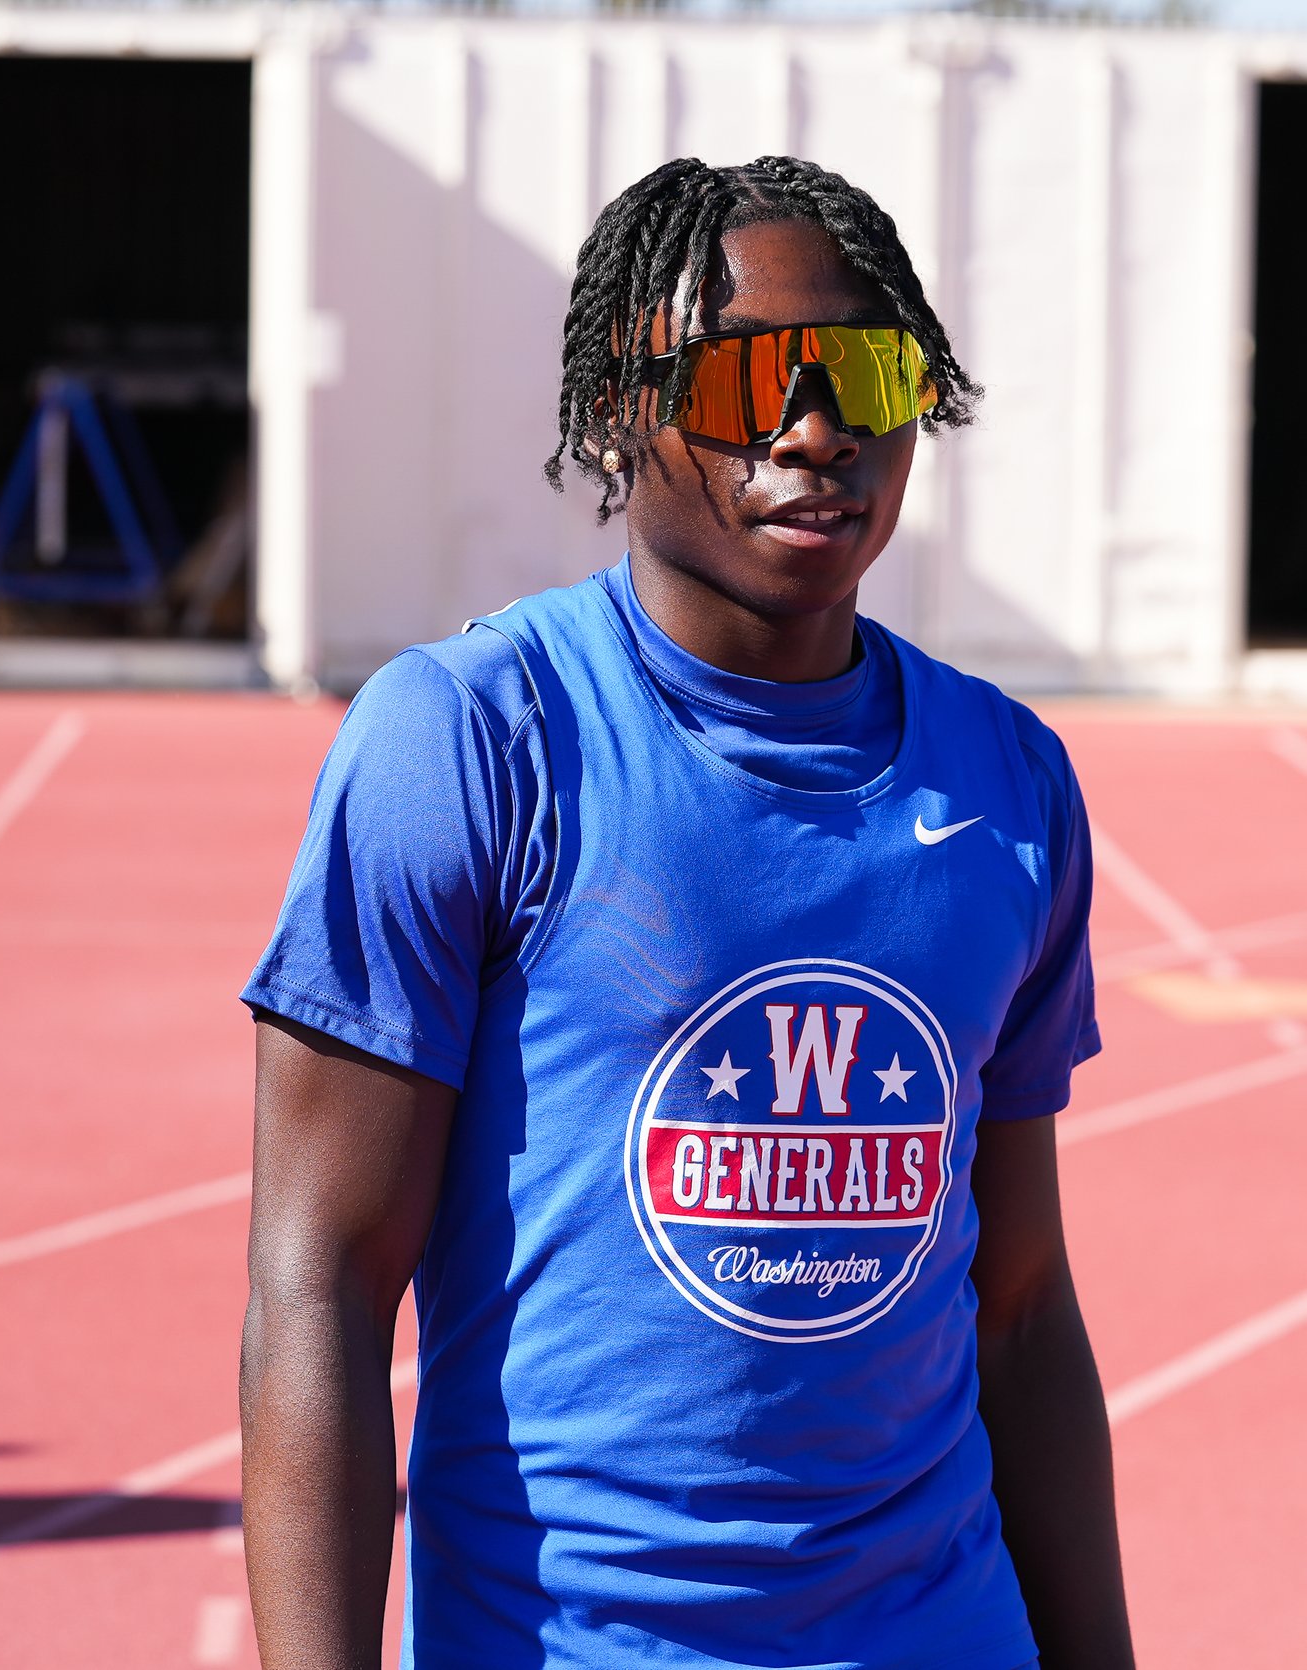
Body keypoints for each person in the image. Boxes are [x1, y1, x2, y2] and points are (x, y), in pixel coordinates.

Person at [238, 155, 1133, 1669]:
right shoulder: (471, 742)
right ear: (613, 412)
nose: (816, 430)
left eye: (869, 375)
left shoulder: (1009, 783)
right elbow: (319, 1278)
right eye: (743, 380)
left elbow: (1025, 1307)